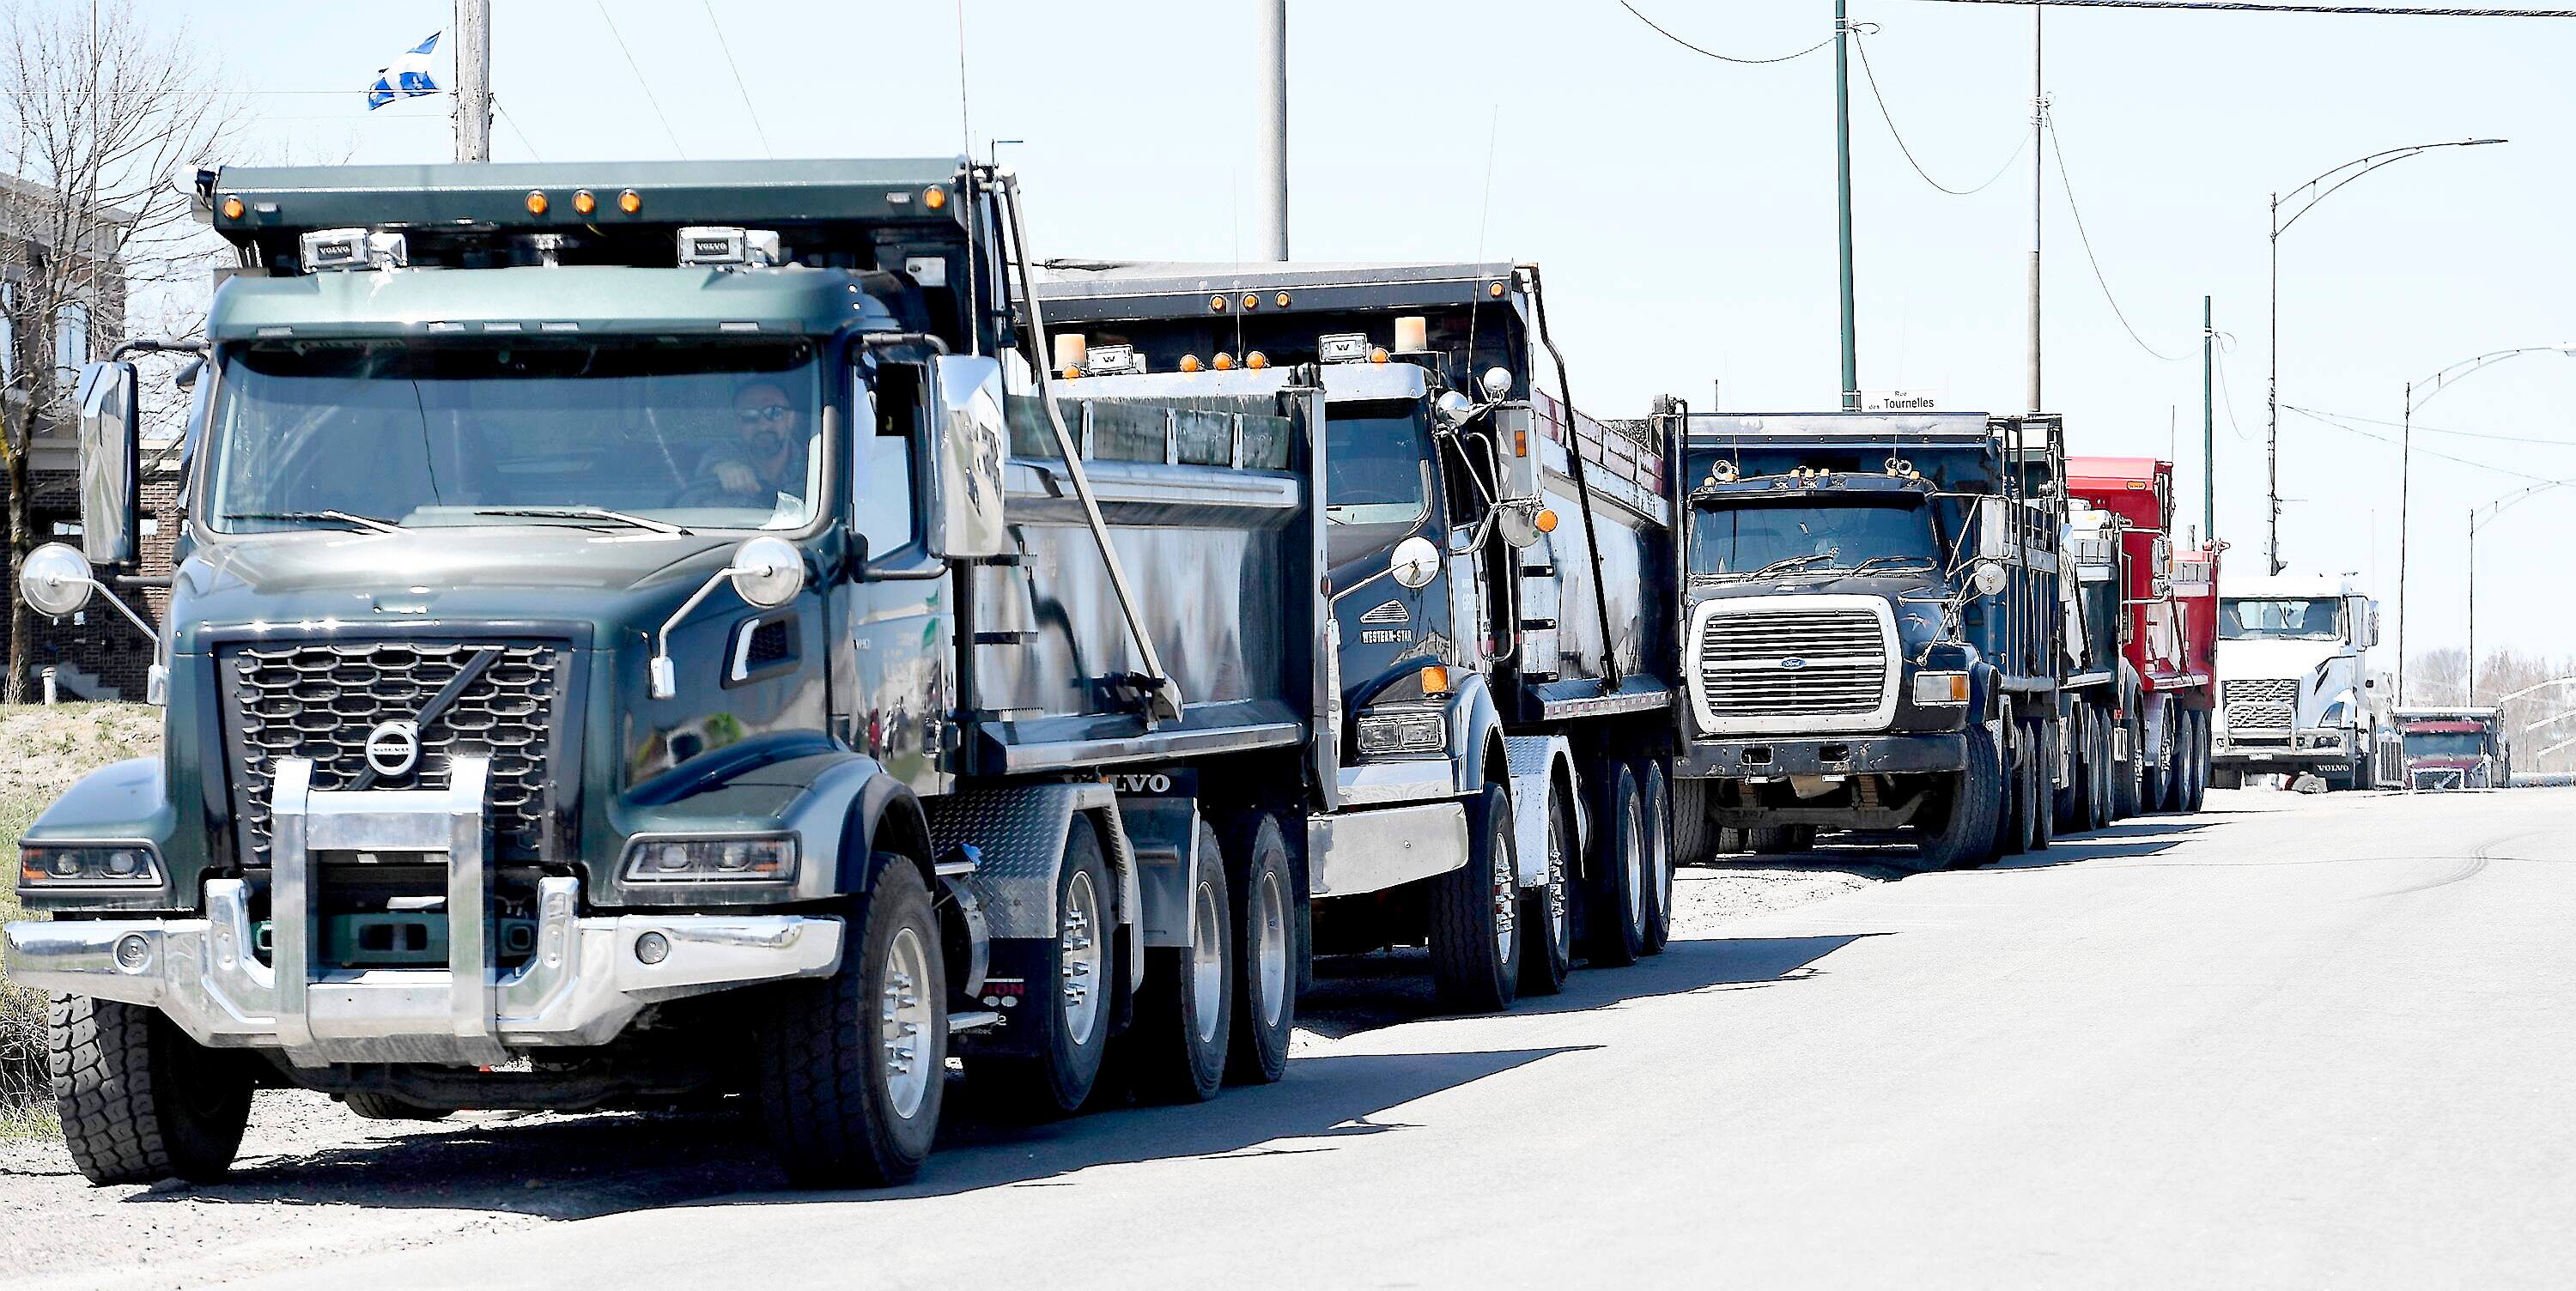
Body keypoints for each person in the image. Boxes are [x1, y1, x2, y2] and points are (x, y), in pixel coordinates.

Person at [703, 378, 811, 503]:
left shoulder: (817, 464)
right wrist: (724, 468)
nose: (763, 426)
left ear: (791, 418)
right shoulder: (724, 454)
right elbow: (708, 464)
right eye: (749, 416)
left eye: (774, 412)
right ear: (737, 425)